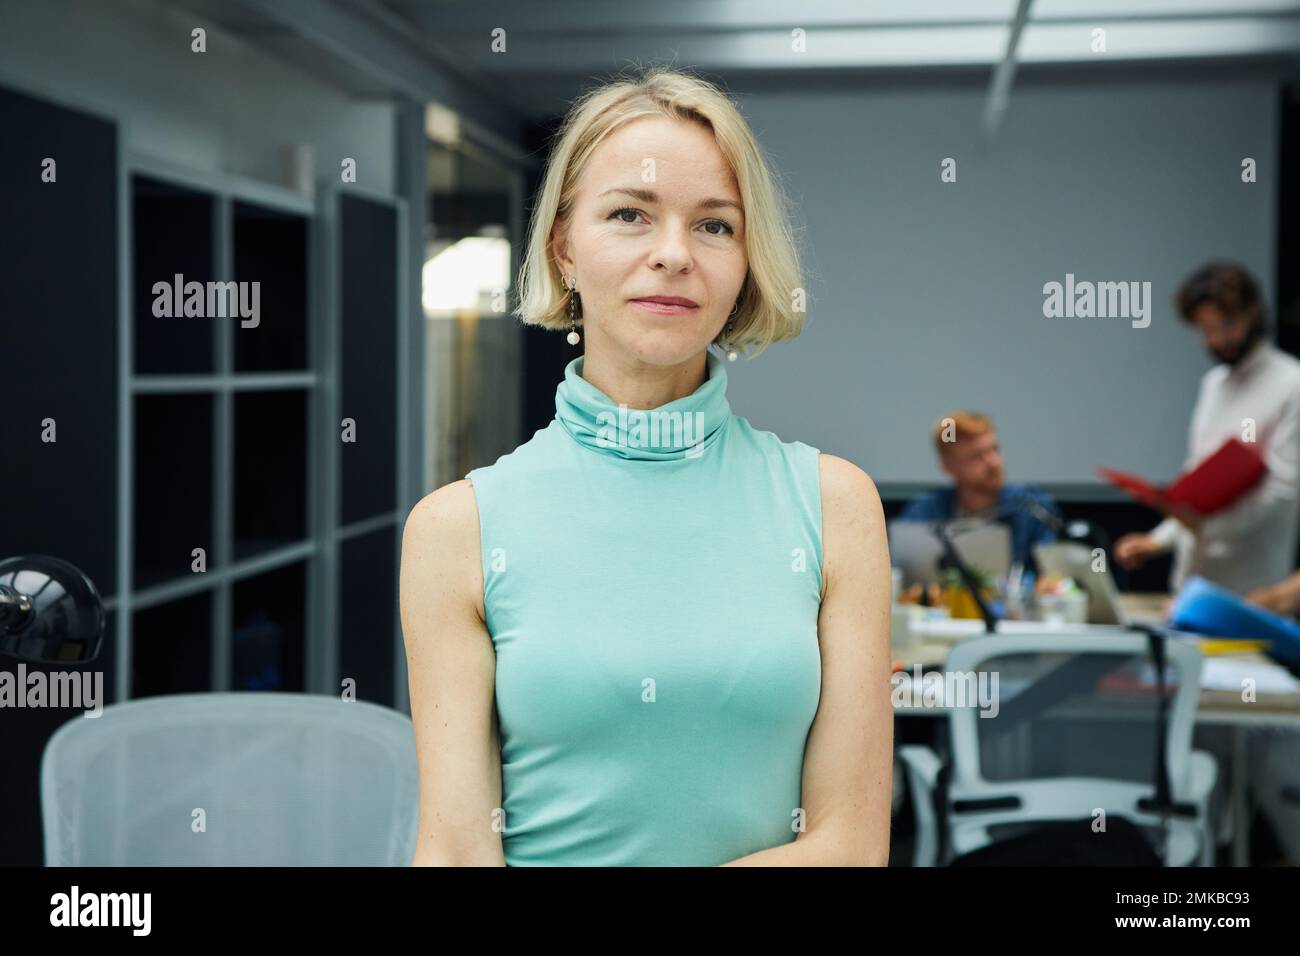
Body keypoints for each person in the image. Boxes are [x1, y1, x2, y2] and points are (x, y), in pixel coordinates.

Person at [399, 67, 893, 866]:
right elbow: (456, 850)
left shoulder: (834, 507)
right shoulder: (457, 530)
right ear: (563, 247)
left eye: (715, 226)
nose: (673, 255)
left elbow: (851, 846)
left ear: (744, 264)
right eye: (630, 214)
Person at [1114, 262, 1300, 596]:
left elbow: (1282, 492)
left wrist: (1205, 527)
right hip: (1191, 583)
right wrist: (1158, 540)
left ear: (1253, 313)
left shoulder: (1291, 383)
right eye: (1206, 330)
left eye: (1226, 325)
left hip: (1252, 590)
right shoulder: (1213, 384)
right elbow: (1197, 487)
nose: (1217, 340)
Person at [897, 411, 1063, 575]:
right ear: (948, 466)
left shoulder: (1034, 508)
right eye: (977, 456)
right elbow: (897, 568)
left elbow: (1052, 577)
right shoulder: (924, 512)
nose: (993, 463)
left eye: (994, 449)